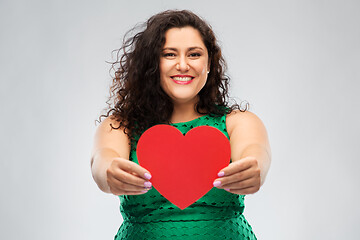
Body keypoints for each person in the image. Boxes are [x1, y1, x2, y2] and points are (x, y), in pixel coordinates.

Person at [91, 9, 271, 240]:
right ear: (151, 64)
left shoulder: (238, 122)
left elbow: (256, 152)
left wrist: (255, 169)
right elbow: (102, 158)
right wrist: (109, 172)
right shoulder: (121, 125)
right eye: (169, 54)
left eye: (194, 54)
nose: (183, 65)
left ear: (209, 63)